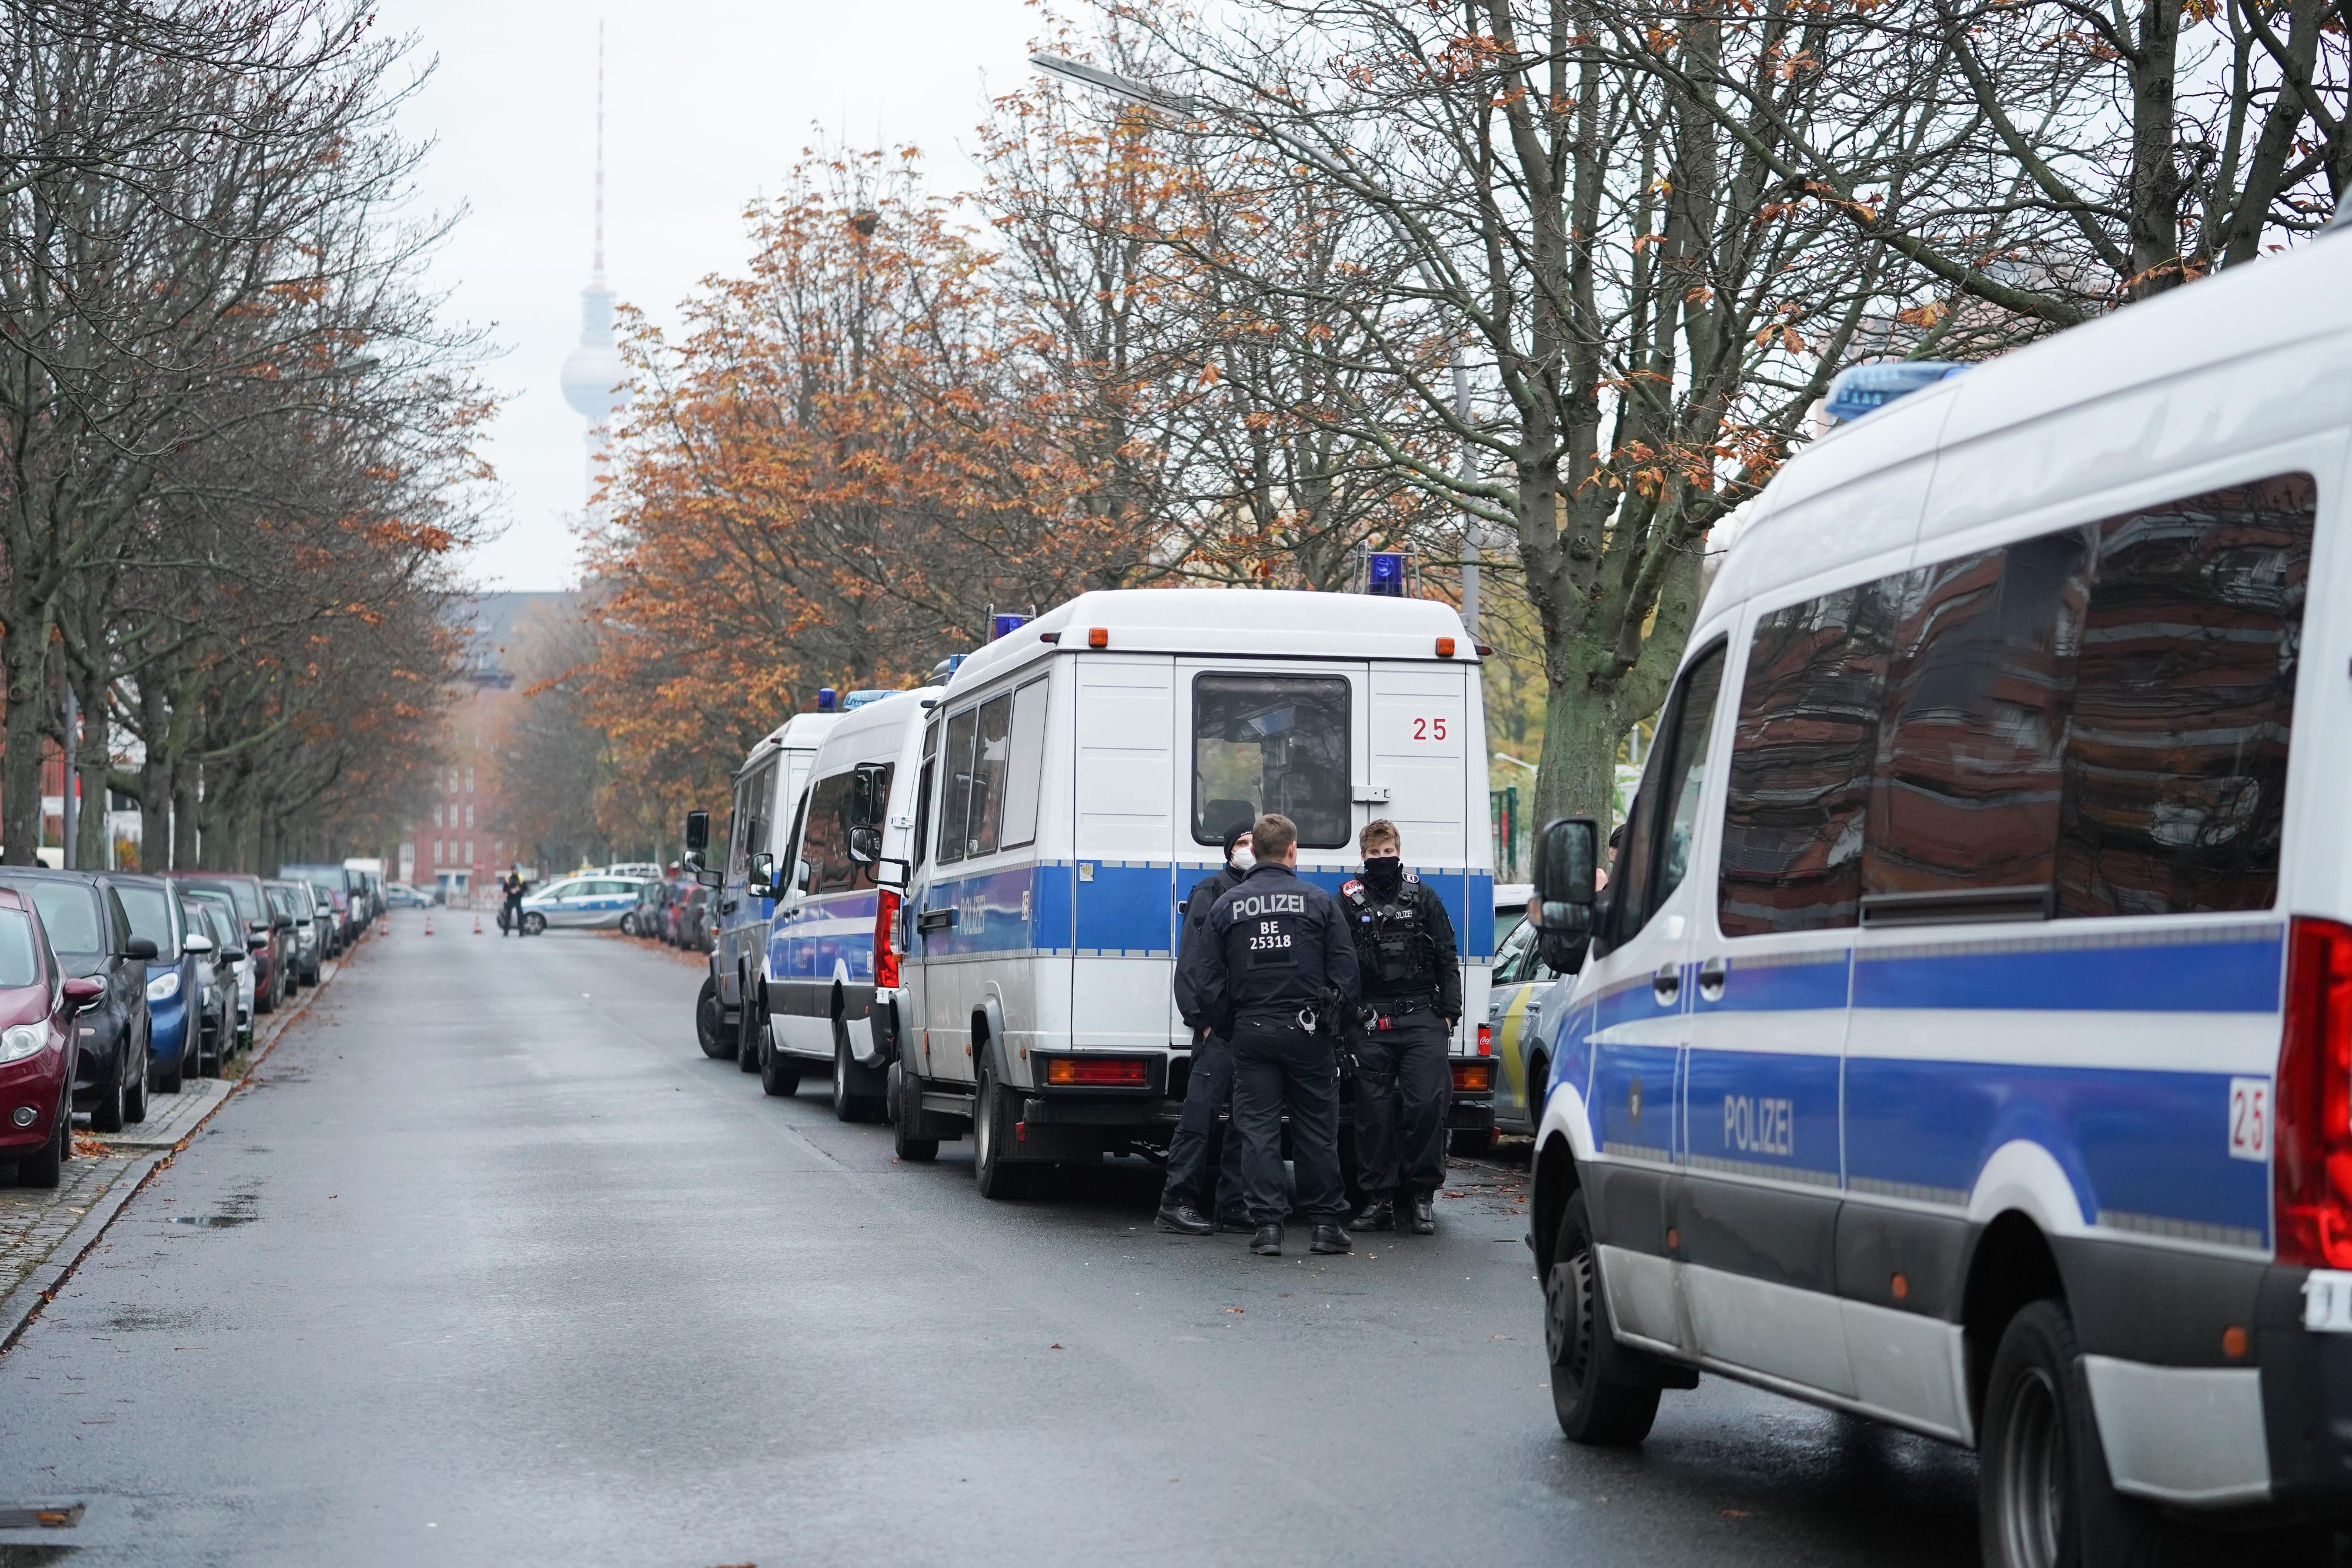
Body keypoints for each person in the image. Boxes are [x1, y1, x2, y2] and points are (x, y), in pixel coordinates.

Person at [1191, 813, 1359, 1258]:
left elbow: (1205, 980)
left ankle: (1267, 1227)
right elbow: (1347, 973)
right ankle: (1325, 1225)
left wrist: (1232, 1024)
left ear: (1255, 851)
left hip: (1252, 1031)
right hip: (1308, 1031)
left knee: (1257, 1129)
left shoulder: (1228, 904)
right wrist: (1331, 1021)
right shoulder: (1320, 902)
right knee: (1317, 1129)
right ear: (1291, 850)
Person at [1341, 819, 1461, 1236]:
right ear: (1363, 856)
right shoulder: (1347, 901)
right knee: (1372, 1115)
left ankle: (1422, 1196)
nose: (1381, 859)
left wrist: (1449, 1013)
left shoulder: (1423, 896)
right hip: (1370, 1020)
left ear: (1399, 850)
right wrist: (1346, 1017)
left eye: (1387, 851)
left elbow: (1447, 954)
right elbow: (1336, 961)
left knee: (1427, 1104)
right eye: (1374, 854)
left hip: (1422, 1017)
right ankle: (1378, 1201)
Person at [1155, 823, 1256, 1236]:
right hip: (1218, 1028)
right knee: (1200, 1115)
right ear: (1229, 849)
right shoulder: (1210, 891)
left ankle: (1233, 1203)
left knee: (1246, 1122)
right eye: (1241, 843)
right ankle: (1175, 1201)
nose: (1248, 849)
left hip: (1252, 1027)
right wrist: (1204, 1020)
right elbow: (1193, 961)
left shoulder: (1264, 893)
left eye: (1254, 842)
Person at [499, 867, 526, 937]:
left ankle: (521, 932)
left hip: (518, 898)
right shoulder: (508, 879)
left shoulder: (520, 878)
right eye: (513, 870)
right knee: (508, 916)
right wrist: (510, 890)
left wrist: (519, 889)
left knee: (520, 915)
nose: (515, 871)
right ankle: (506, 932)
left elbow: (525, 888)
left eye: (516, 870)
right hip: (510, 898)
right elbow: (505, 889)